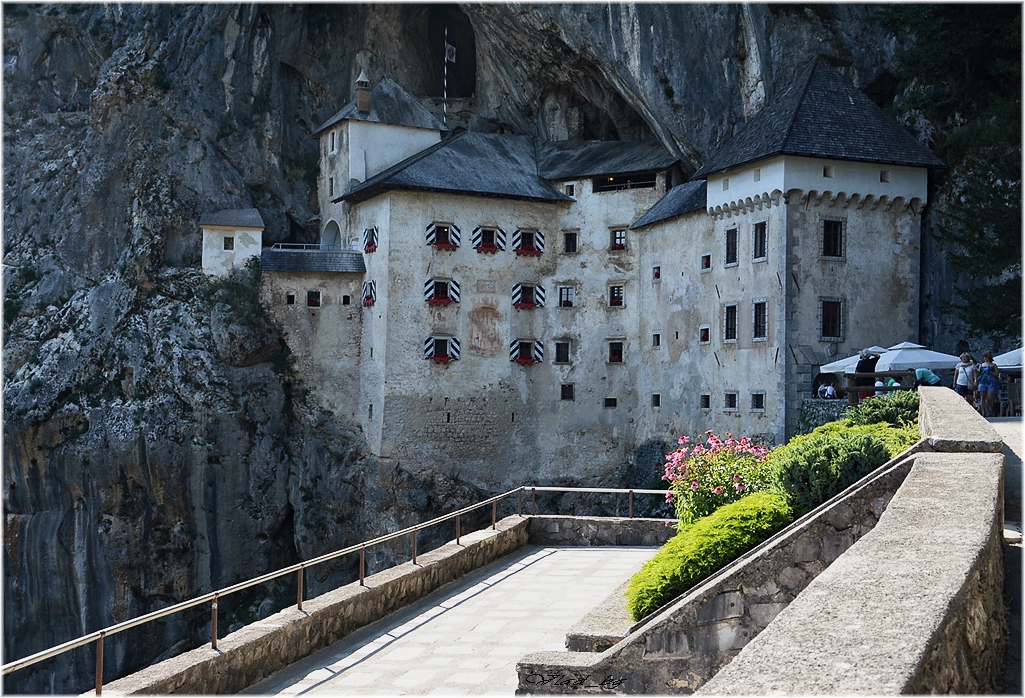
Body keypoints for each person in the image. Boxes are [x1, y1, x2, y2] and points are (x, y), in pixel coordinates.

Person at [976, 352, 1001, 417]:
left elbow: (996, 374)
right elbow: (978, 373)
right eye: (984, 357)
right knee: (982, 397)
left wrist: (990, 372)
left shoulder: (994, 365)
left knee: (990, 397)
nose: (985, 358)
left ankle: (990, 408)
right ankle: (983, 411)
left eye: (986, 357)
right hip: (983, 381)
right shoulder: (981, 365)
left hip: (991, 382)